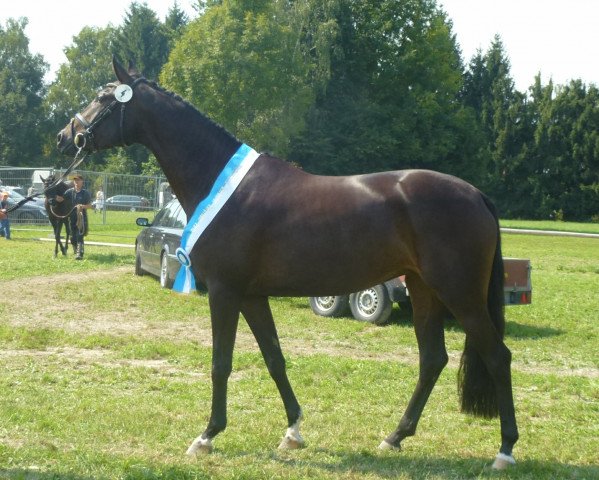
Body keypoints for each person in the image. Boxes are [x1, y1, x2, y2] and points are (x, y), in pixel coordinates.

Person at [56, 173, 92, 260]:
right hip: (71, 217)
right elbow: (62, 199)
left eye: (78, 180)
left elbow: (90, 205)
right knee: (73, 237)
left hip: (81, 217)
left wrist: (82, 206)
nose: (76, 182)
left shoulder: (85, 193)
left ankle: (80, 254)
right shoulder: (69, 192)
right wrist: (55, 197)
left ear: (82, 182)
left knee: (80, 235)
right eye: (75, 180)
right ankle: (76, 250)